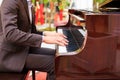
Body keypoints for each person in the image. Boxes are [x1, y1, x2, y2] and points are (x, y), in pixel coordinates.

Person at [0, 0, 68, 80]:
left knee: (58, 56)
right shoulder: (10, 2)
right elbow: (11, 34)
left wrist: (50, 34)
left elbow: (31, 31)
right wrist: (44, 39)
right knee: (55, 64)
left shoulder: (28, 3)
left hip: (22, 48)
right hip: (10, 55)